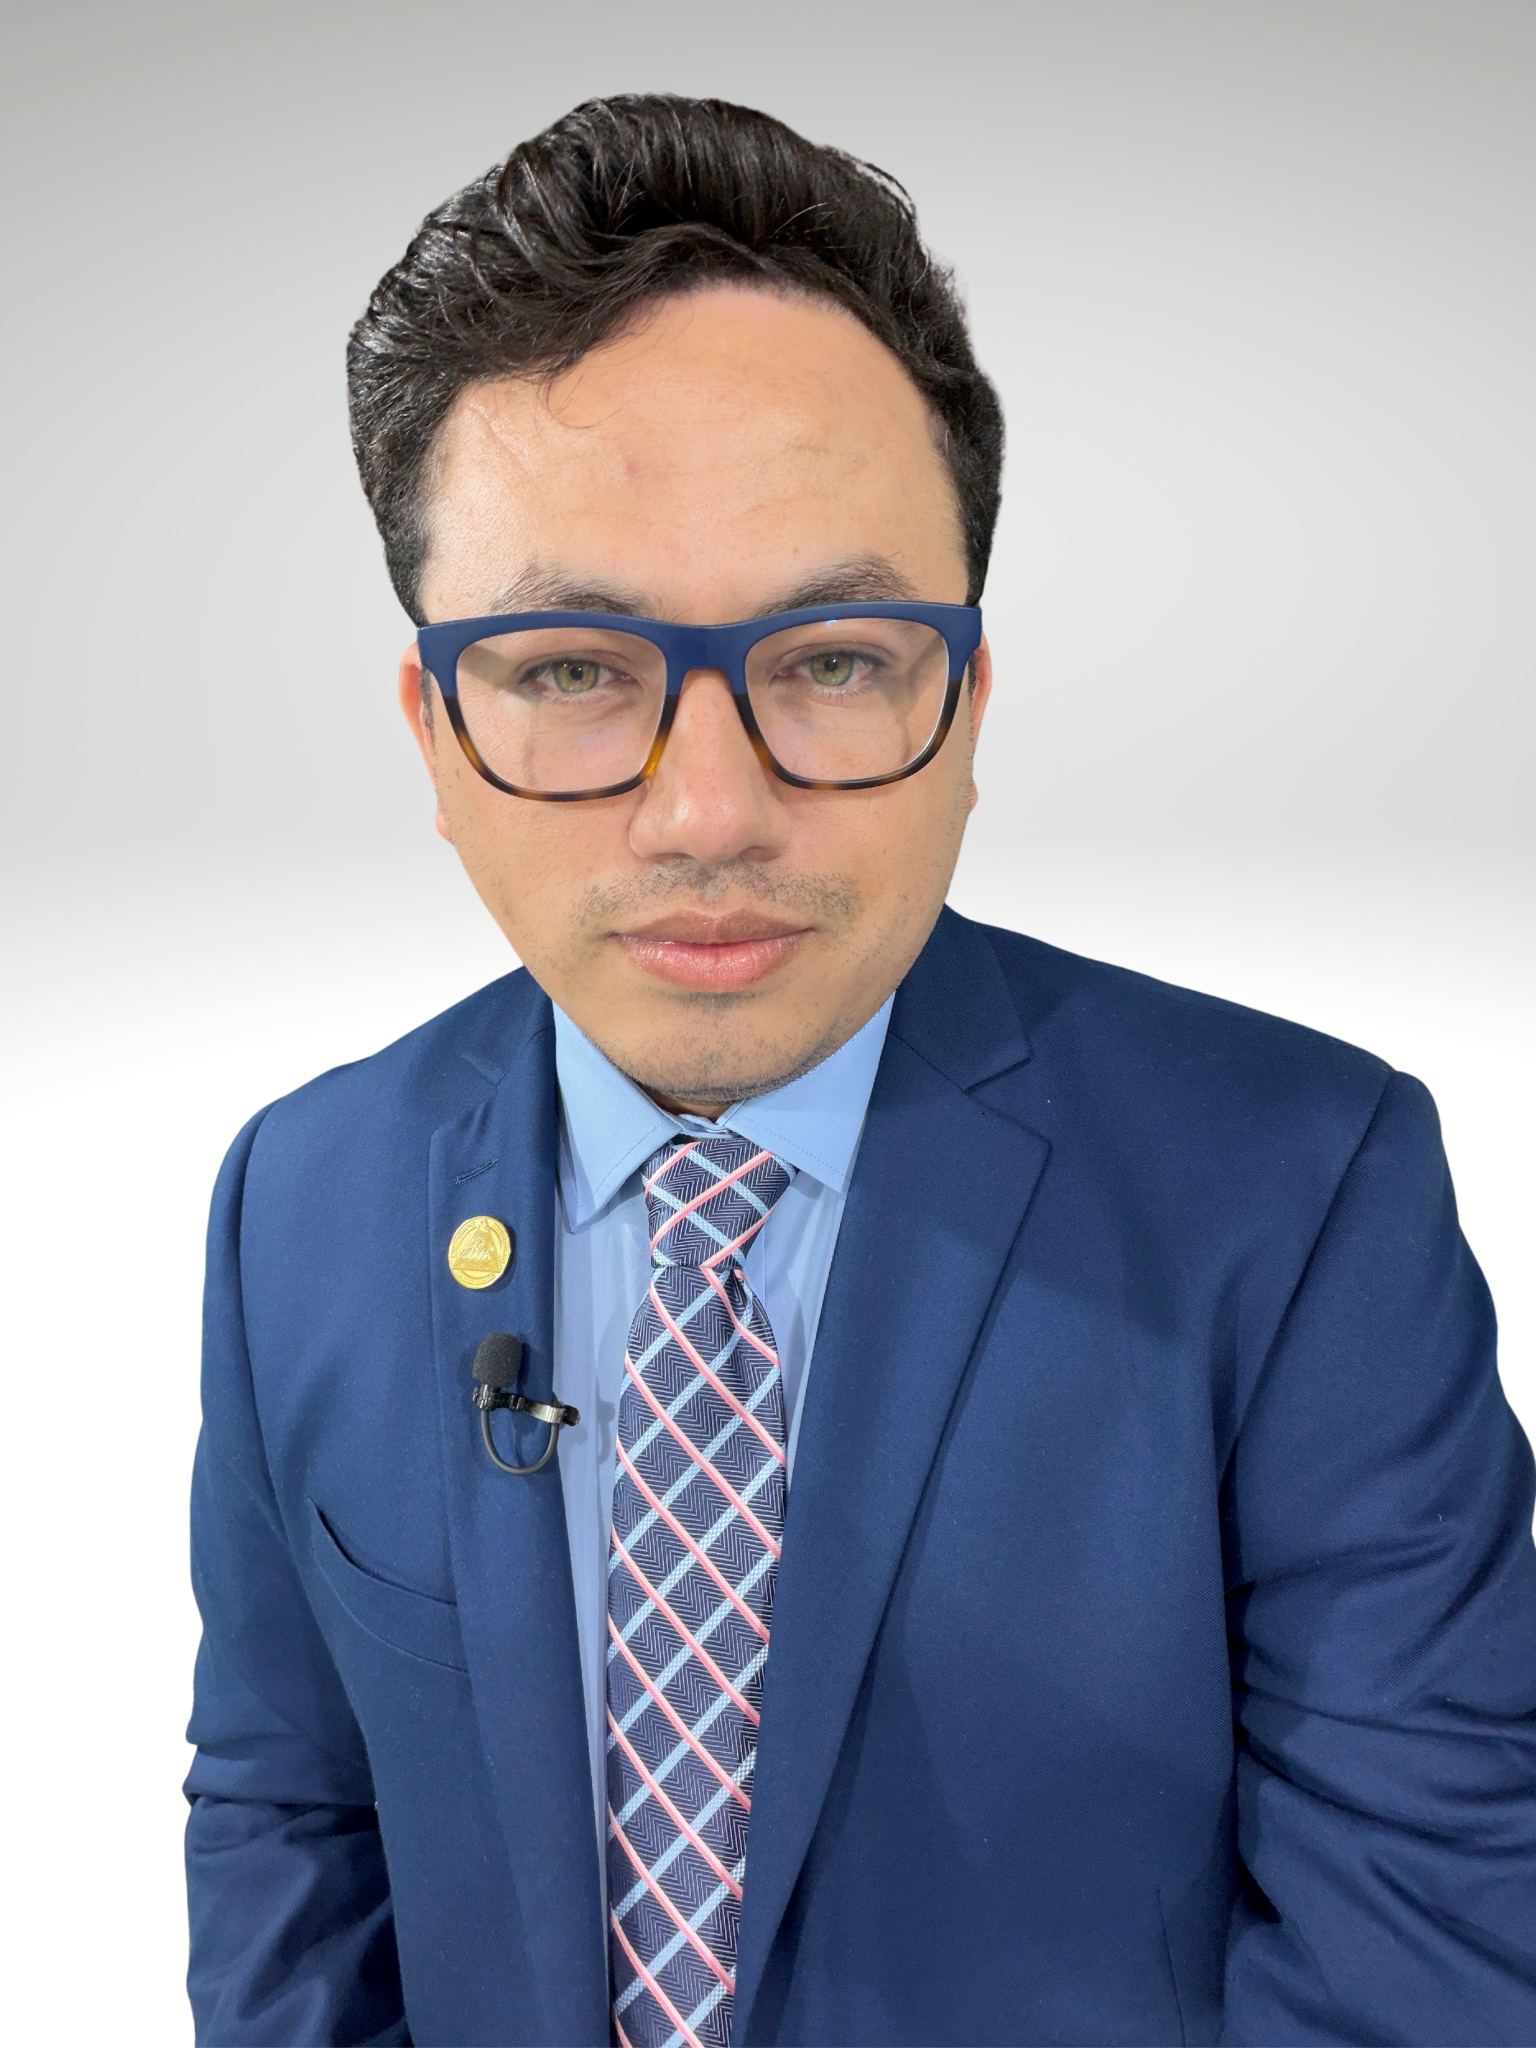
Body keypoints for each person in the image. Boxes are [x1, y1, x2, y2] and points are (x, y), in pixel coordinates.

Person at [184, 95, 1536, 2048]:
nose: (709, 813)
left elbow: (1426, 1938)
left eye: (830, 657)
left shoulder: (1305, 1193)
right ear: (433, 729)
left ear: (965, 695)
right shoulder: (294, 1204)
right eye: (569, 668)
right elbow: (293, 1834)